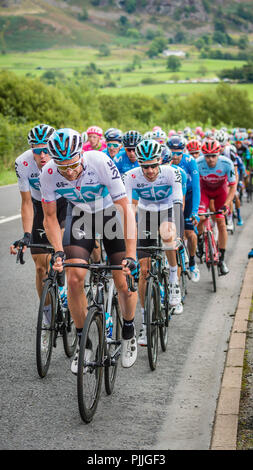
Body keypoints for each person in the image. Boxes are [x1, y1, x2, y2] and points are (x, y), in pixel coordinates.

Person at [40, 128, 139, 371]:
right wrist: (58, 250)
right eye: (64, 167)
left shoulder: (100, 161)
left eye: (74, 165)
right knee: (74, 278)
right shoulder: (48, 173)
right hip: (80, 216)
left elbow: (125, 209)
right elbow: (50, 217)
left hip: (110, 215)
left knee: (123, 280)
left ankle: (128, 330)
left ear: (81, 154)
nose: (70, 172)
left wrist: (131, 254)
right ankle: (84, 344)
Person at [10, 124, 68, 345]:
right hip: (38, 204)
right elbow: (26, 203)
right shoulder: (23, 163)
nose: (42, 155)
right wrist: (26, 234)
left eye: (46, 150)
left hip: (64, 203)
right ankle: (46, 320)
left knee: (63, 250)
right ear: (31, 149)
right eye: (37, 150)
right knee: (40, 265)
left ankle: (65, 288)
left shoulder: (60, 161)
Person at [124, 139, 184, 345]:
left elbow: (178, 202)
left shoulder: (171, 173)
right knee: (144, 270)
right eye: (145, 166)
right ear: (139, 164)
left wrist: (177, 234)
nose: (149, 171)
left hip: (168, 209)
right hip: (145, 213)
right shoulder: (130, 177)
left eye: (153, 165)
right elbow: (129, 210)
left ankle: (174, 280)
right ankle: (145, 322)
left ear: (160, 161)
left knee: (167, 234)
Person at [196, 139, 237, 275]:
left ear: (219, 153)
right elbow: (195, 187)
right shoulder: (198, 163)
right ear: (203, 155)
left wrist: (226, 204)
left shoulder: (227, 163)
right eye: (207, 156)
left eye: (213, 155)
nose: (211, 159)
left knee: (221, 222)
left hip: (220, 192)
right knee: (201, 217)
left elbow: (232, 187)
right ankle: (200, 239)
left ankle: (222, 259)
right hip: (204, 192)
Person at [167, 135, 201, 283]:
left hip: (188, 197)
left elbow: (196, 188)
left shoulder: (190, 162)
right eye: (172, 152)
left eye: (178, 153)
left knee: (190, 233)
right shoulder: (164, 161)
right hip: (172, 198)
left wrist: (194, 211)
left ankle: (193, 263)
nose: (175, 156)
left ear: (183, 152)